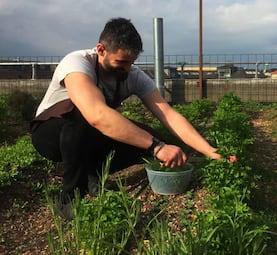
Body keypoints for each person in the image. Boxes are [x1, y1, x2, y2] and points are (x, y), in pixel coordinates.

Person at [30, 17, 222, 219]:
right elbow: (96, 114)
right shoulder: (77, 63)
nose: (127, 69)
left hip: (87, 134)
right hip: (50, 134)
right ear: (101, 50)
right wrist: (157, 147)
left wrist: (211, 151)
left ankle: (92, 175)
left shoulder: (132, 75)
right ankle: (69, 197)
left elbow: (168, 114)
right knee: (84, 119)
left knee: (148, 136)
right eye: (121, 62)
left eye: (131, 62)